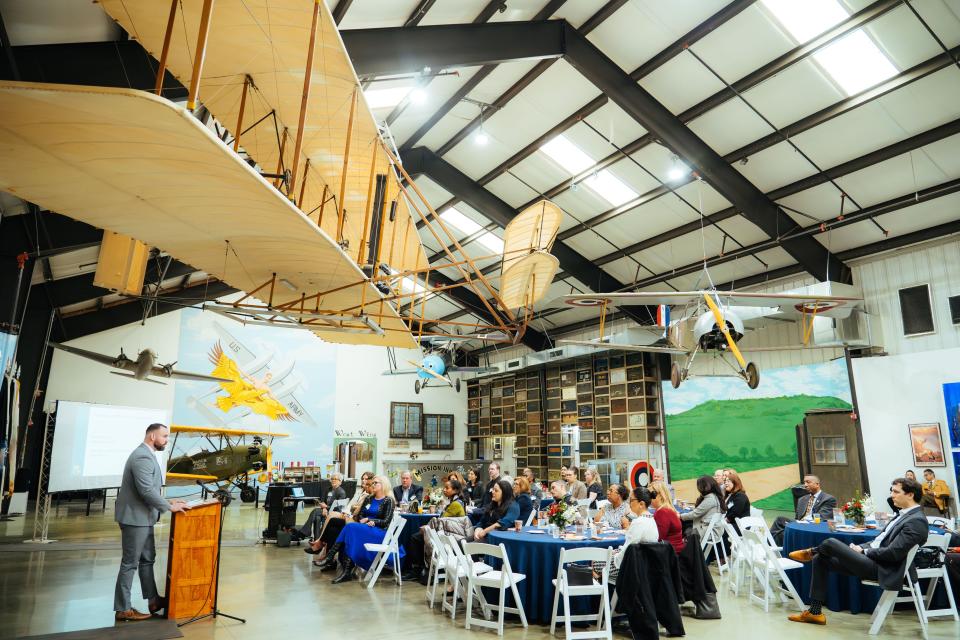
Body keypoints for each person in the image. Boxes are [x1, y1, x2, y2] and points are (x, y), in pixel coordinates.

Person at [787, 476, 929, 625]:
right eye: (891, 491)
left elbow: (893, 553)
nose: (891, 495)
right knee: (821, 560)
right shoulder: (903, 514)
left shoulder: (916, 521)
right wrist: (861, 547)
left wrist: (863, 552)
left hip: (884, 568)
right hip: (874, 561)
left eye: (896, 491)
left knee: (831, 543)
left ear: (910, 495)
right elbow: (878, 542)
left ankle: (811, 551)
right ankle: (814, 612)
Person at [114, 424, 189, 621]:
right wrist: (168, 507)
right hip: (134, 518)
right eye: (164, 436)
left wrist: (168, 501)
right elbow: (146, 491)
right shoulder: (142, 456)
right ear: (152, 435)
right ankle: (123, 608)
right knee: (130, 563)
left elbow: (151, 489)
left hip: (144, 518)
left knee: (147, 559)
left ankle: (153, 600)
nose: (167, 440)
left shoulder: (148, 455)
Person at [326, 475, 397, 584]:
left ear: (383, 485)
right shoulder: (369, 498)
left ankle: (331, 556)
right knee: (351, 534)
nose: (372, 485)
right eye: (372, 483)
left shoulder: (389, 500)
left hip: (379, 532)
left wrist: (372, 520)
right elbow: (359, 515)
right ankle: (346, 571)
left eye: (375, 483)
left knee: (350, 527)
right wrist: (362, 519)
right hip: (365, 528)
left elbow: (386, 521)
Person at [401, 478, 467, 582]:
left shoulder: (455, 504)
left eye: (447, 488)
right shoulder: (454, 501)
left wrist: (427, 528)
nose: (444, 490)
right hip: (447, 532)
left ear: (455, 490)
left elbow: (441, 521)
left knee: (416, 538)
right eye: (444, 488)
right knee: (418, 536)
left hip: (451, 536)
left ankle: (417, 570)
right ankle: (420, 568)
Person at [305, 471, 373, 558]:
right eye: (362, 479)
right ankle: (322, 548)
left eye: (366, 479)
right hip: (346, 514)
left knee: (324, 517)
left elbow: (355, 509)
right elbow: (350, 504)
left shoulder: (342, 492)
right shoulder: (358, 491)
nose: (364, 481)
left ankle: (319, 544)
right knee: (327, 518)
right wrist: (345, 511)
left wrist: (347, 511)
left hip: (353, 518)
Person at [770, 475, 837, 545]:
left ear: (817, 484)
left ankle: (769, 547)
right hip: (800, 524)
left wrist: (803, 521)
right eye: (804, 482)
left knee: (779, 522)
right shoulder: (802, 499)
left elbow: (822, 517)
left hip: (814, 525)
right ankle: (772, 546)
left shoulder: (828, 499)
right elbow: (797, 517)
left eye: (808, 482)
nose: (805, 485)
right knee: (780, 531)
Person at [291, 473, 347, 542]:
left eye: (335, 479)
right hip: (325, 510)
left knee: (315, 511)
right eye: (332, 479)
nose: (333, 481)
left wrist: (327, 507)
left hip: (334, 513)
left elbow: (338, 508)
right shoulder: (328, 489)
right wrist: (324, 508)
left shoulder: (341, 492)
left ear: (340, 481)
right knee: (317, 518)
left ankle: (304, 532)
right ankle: (317, 541)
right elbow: (323, 501)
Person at [680, 475, 725, 540]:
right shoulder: (713, 496)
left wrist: (680, 516)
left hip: (709, 531)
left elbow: (695, 514)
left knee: (683, 523)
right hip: (711, 528)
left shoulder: (710, 499)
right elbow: (700, 510)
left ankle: (686, 545)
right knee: (686, 523)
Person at [649, 481, 684, 554]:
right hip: (676, 551)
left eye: (651, 494)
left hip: (670, 555)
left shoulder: (662, 512)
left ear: (660, 495)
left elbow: (658, 538)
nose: (648, 498)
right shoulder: (668, 508)